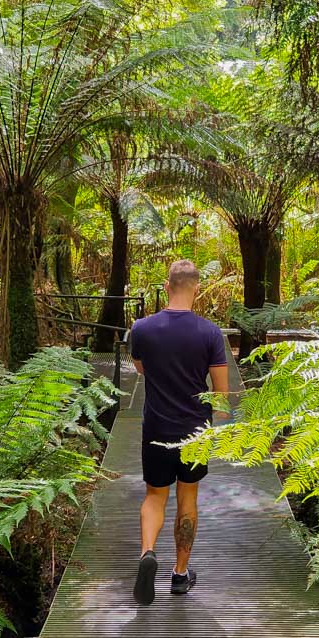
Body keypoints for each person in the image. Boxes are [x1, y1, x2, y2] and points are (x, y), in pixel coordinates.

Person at [129, 259, 229, 605]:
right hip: (195, 431)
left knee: (155, 496)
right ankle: (180, 574)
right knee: (187, 498)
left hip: (156, 427)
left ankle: (147, 552)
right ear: (197, 289)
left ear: (167, 287)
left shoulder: (141, 329)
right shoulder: (210, 333)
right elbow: (221, 395)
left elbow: (141, 369)